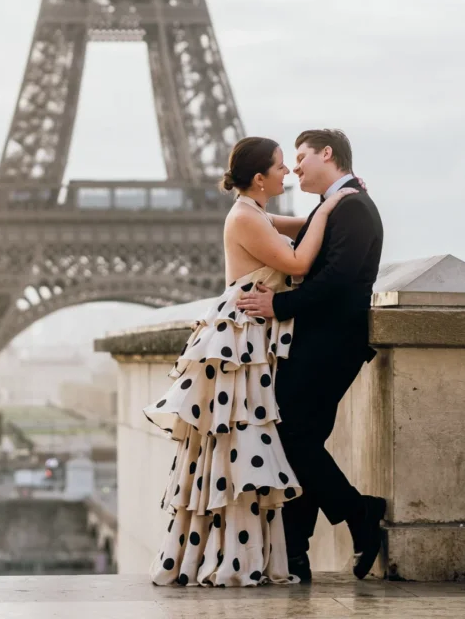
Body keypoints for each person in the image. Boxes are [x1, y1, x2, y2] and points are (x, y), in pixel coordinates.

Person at [143, 136, 354, 587]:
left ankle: (234, 550)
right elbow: (297, 263)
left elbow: (302, 226)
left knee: (239, 446)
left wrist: (332, 204)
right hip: (238, 344)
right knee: (238, 443)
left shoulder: (254, 212)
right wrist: (331, 209)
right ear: (259, 178)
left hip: (247, 339)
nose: (288, 172)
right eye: (280, 166)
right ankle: (234, 555)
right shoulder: (244, 216)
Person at [237, 129, 385, 582]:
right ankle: (297, 552)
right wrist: (248, 210)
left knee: (290, 436)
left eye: (301, 156)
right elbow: (305, 238)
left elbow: (337, 279)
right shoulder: (338, 204)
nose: (296, 166)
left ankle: (359, 513)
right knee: (301, 441)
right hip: (321, 340)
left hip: (331, 343)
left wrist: (279, 305)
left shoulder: (353, 207)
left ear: (327, 154)